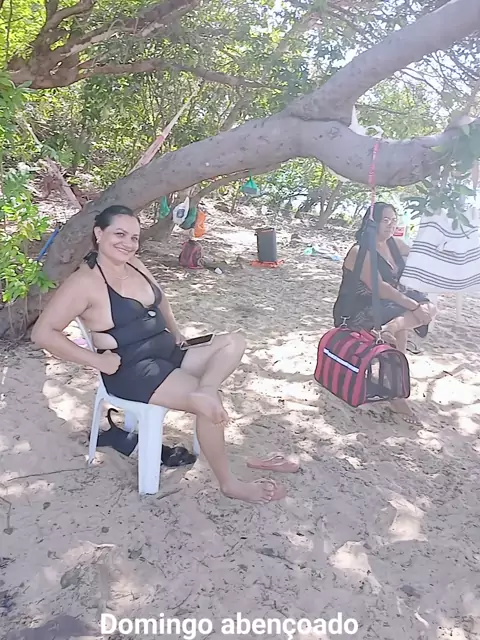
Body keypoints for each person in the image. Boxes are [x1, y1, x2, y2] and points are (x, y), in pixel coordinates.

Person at [32, 205, 286, 504]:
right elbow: (43, 333)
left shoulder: (135, 263)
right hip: (133, 369)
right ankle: (229, 484)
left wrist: (175, 331)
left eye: (134, 237)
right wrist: (97, 360)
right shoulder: (83, 283)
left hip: (167, 351)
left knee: (234, 342)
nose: (128, 243)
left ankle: (205, 389)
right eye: (119, 234)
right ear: (99, 234)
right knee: (210, 407)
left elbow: (160, 298)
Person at [332, 202, 437, 424]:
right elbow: (380, 287)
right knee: (405, 314)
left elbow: (423, 254)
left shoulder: (394, 244)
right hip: (357, 309)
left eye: (394, 220)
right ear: (372, 223)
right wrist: (413, 305)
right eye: (385, 220)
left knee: (430, 307)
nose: (391, 225)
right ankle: (396, 393)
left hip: (385, 305)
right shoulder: (359, 251)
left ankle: (392, 332)